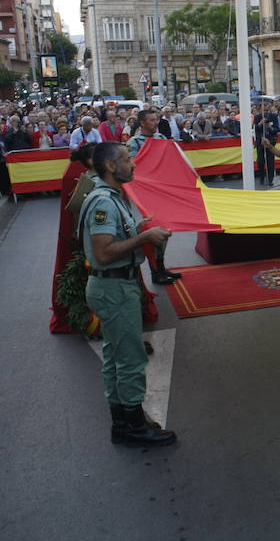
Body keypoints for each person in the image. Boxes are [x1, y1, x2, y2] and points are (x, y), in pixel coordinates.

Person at [81, 141, 177, 447]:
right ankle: (135, 426)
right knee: (130, 358)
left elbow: (113, 239)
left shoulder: (110, 196)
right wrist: (144, 237)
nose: (133, 164)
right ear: (111, 166)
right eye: (127, 159)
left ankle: (122, 421)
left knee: (114, 356)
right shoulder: (104, 202)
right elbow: (105, 252)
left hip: (111, 286)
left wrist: (138, 229)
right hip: (113, 287)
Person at [126, 109, 182, 286]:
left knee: (165, 232)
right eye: (151, 120)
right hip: (147, 196)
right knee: (153, 231)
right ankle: (155, 271)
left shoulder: (162, 139)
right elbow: (134, 167)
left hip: (163, 192)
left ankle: (161, 266)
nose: (155, 123)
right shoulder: (134, 142)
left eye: (156, 119)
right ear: (142, 123)